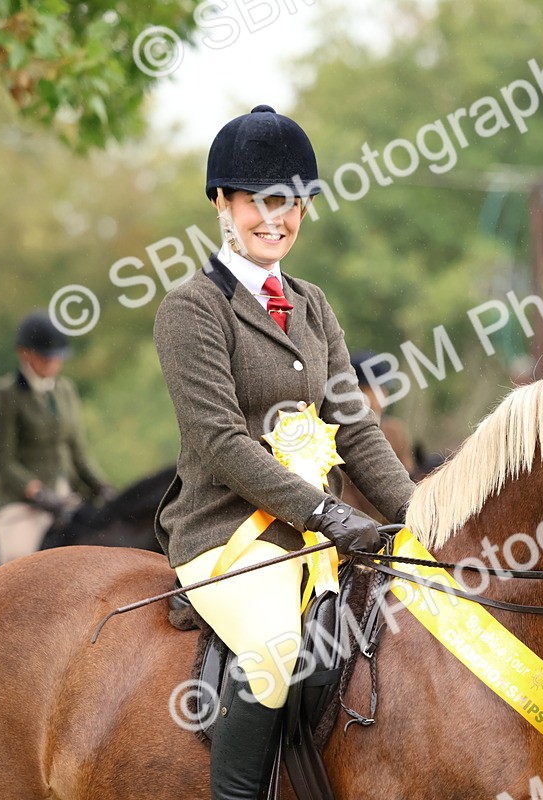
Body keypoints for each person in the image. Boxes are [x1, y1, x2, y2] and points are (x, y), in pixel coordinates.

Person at [153, 105, 415, 800]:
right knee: (273, 651)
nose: (278, 218)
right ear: (223, 203)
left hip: (309, 535)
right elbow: (221, 442)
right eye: (261, 202)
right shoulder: (191, 309)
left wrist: (420, 515)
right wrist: (326, 512)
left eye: (291, 203)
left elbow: (354, 427)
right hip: (226, 531)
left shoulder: (312, 303)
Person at [0, 311, 114, 565]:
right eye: (47, 358)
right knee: (20, 562)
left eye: (58, 358)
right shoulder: (6, 394)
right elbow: (4, 461)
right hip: (22, 503)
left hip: (64, 495)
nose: (54, 364)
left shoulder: (66, 390)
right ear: (25, 353)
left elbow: (78, 450)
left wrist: (102, 487)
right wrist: (38, 493)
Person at [337, 351, 416, 520]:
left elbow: (407, 474)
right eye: (375, 389)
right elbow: (342, 490)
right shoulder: (336, 432)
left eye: (384, 388)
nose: (384, 395)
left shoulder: (395, 430)